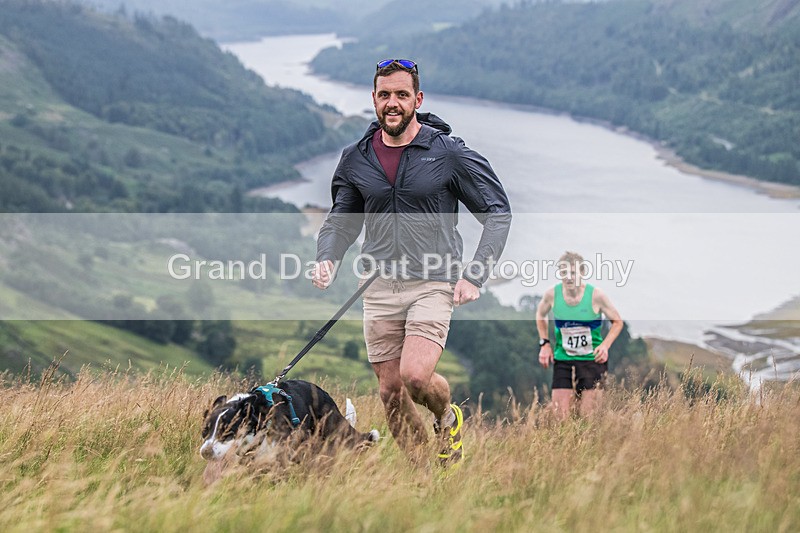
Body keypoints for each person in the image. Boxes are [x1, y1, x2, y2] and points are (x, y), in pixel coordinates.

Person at [312, 59, 512, 465]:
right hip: (379, 285)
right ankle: (425, 475)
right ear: (374, 99)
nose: (392, 103)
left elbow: (497, 212)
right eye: (384, 95)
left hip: (434, 280)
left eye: (402, 95)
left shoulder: (448, 154)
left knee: (416, 376)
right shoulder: (357, 158)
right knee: (389, 391)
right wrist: (328, 257)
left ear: (417, 100)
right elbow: (341, 220)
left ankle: (445, 416)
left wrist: (475, 274)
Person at [536, 251, 623, 419]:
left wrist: (605, 346)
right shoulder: (552, 295)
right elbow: (540, 315)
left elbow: (617, 322)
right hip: (563, 360)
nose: (568, 278)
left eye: (573, 273)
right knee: (560, 418)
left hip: (592, 361)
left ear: (582, 272)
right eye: (563, 273)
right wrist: (544, 344)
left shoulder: (596, 295)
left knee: (588, 419)